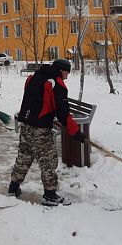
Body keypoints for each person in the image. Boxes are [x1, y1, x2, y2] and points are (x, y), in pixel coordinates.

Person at [8, 58, 86, 206]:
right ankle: (50, 195)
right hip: (40, 129)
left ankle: (13, 187)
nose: (67, 76)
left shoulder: (35, 76)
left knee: (24, 157)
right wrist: (75, 131)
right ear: (61, 70)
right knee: (48, 162)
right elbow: (63, 112)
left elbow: (35, 100)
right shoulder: (56, 83)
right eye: (66, 73)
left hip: (26, 124)